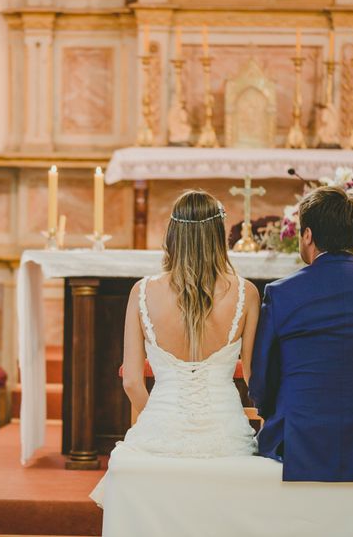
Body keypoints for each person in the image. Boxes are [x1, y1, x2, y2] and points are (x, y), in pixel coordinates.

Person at [92, 190, 260, 506]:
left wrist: (161, 420)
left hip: (159, 430)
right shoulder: (246, 293)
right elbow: (253, 379)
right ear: (218, 236)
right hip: (226, 436)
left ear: (172, 233)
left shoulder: (142, 292)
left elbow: (131, 381)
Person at [248, 186, 353, 482]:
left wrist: (274, 412)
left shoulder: (281, 294)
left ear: (308, 235)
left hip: (297, 440)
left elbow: (263, 379)